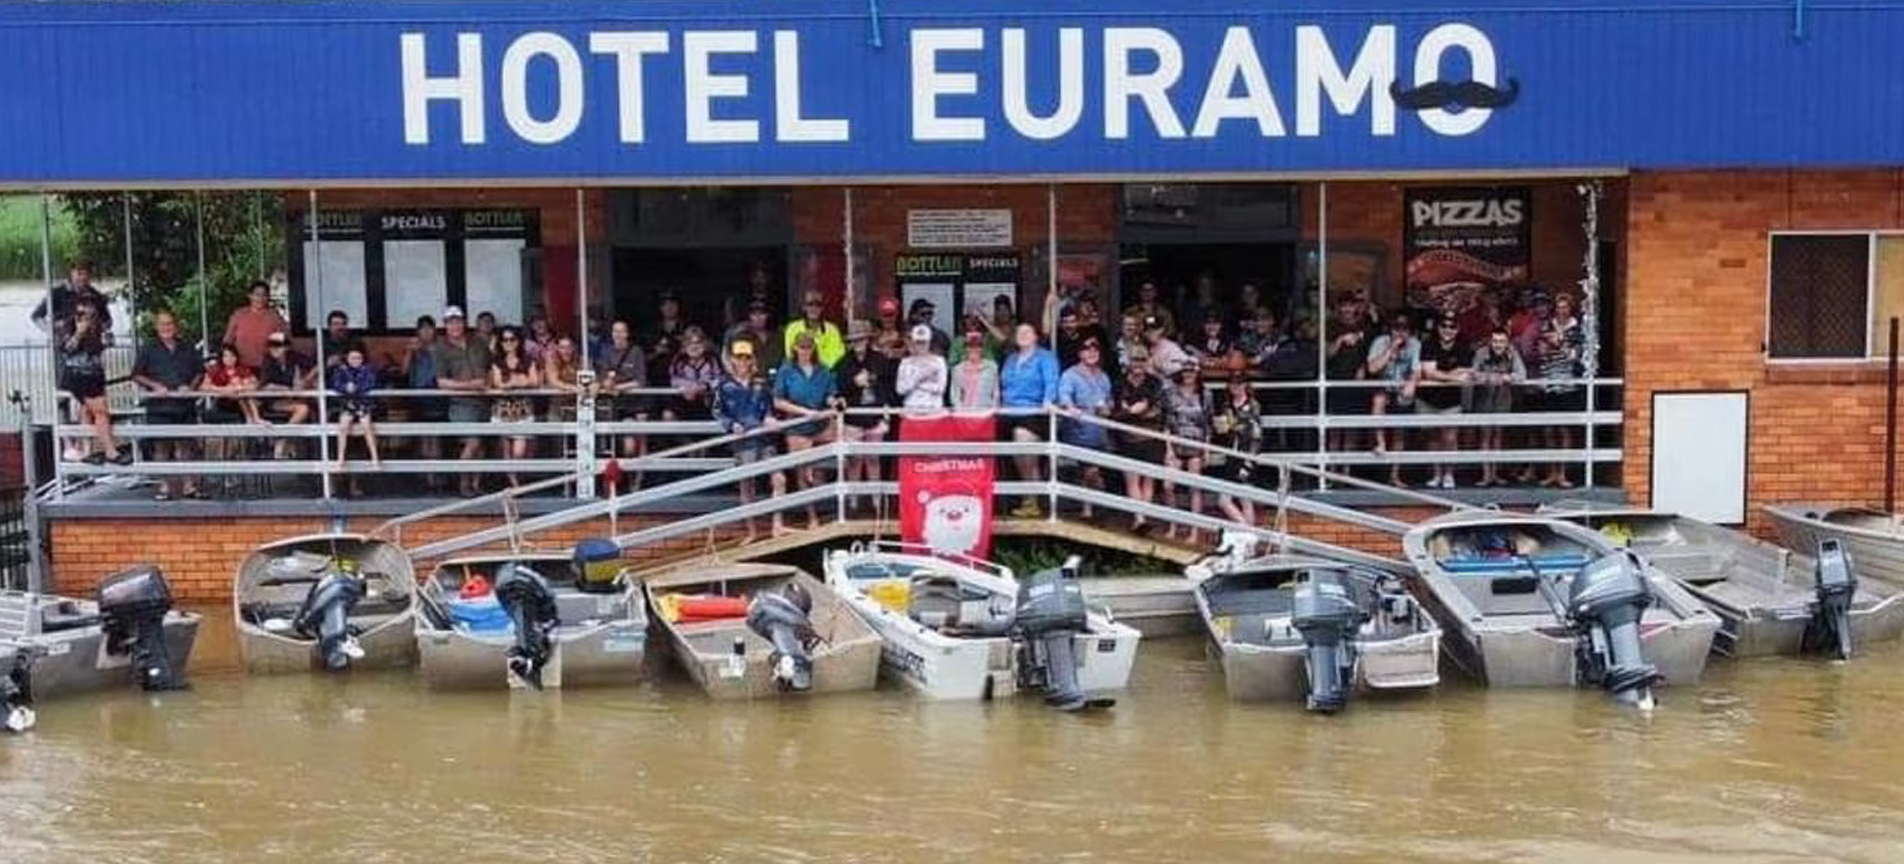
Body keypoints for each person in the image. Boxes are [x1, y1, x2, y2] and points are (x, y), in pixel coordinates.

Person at [131, 310, 204, 499]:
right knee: (161, 446)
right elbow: (137, 374)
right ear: (157, 327)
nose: (167, 328)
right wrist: (155, 386)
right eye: (163, 324)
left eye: (170, 323)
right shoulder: (148, 348)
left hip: (184, 404)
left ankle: (189, 485)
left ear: (176, 325)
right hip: (159, 405)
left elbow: (199, 371)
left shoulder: (187, 346)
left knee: (185, 445)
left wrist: (190, 388)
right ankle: (164, 486)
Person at [714, 337, 779, 541]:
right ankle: (752, 532)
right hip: (743, 441)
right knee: (746, 485)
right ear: (732, 360)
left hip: (764, 438)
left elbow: (769, 407)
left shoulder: (761, 384)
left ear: (752, 360)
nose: (743, 362)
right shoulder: (724, 386)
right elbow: (718, 411)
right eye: (739, 357)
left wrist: (769, 417)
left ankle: (777, 526)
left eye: (746, 357)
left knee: (779, 479)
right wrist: (731, 425)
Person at [772, 331, 836, 533]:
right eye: (802, 347)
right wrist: (806, 413)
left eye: (809, 347)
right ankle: (812, 517)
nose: (805, 351)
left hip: (822, 424)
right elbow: (778, 401)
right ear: (795, 348)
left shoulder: (823, 370)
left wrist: (833, 403)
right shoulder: (786, 370)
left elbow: (830, 395)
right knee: (802, 473)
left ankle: (847, 505)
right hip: (798, 425)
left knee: (854, 442)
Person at [998, 322, 1060, 518]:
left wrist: (1048, 401)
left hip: (1033, 412)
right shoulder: (1010, 359)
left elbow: (1052, 381)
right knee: (1015, 455)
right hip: (1007, 412)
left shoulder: (1045, 357)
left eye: (1027, 332)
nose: (1023, 335)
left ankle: (1031, 499)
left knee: (1023, 444)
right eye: (1019, 332)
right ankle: (1023, 497)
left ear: (1036, 336)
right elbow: (1002, 385)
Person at [834, 320, 896, 513]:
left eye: (861, 339)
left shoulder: (880, 360)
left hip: (875, 416)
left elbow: (888, 388)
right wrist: (854, 383)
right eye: (855, 340)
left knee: (873, 458)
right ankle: (853, 501)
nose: (858, 343)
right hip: (853, 418)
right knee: (854, 460)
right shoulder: (842, 363)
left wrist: (886, 412)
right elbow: (838, 391)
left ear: (867, 340)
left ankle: (876, 501)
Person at [56, 296, 127, 466]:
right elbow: (66, 350)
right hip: (77, 375)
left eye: (90, 312)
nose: (86, 315)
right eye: (81, 312)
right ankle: (111, 450)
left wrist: (107, 342)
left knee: (86, 410)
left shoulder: (98, 328)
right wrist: (79, 333)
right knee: (101, 410)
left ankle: (87, 451)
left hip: (94, 374)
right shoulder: (67, 327)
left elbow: (100, 350)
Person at [432, 306, 492, 497]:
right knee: (472, 442)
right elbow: (442, 382)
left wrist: (488, 383)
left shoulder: (478, 342)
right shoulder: (440, 348)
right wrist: (472, 385)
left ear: (464, 322)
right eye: (451, 322)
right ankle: (463, 484)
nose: (455, 325)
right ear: (445, 325)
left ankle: (476, 484)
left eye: (458, 320)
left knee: (481, 445)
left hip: (484, 401)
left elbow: (490, 366)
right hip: (460, 403)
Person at [1056, 337, 1114, 514]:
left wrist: (1107, 408)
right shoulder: (1070, 374)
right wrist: (1071, 408)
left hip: (1099, 433)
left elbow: (1110, 401)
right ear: (1080, 354)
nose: (1091, 353)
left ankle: (1090, 506)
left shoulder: (1103, 377)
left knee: (1093, 471)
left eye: (1095, 350)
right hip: (1078, 432)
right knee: (1090, 471)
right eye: (1087, 350)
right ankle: (1088, 508)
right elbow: (1064, 396)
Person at [1112, 346, 1165, 532]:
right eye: (1135, 360)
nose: (1138, 364)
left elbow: (1150, 409)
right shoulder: (1119, 383)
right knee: (1132, 479)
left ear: (1147, 361)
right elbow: (1117, 411)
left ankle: (1144, 516)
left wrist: (1131, 411)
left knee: (1148, 480)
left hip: (1151, 436)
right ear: (1129, 362)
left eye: (1142, 360)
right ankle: (1139, 518)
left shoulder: (1154, 383)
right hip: (1127, 437)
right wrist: (1131, 411)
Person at [1415, 313, 1471, 490]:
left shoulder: (1464, 346)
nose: (1448, 330)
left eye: (1452, 327)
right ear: (1438, 328)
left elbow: (1466, 372)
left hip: (1451, 400)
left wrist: (1441, 376)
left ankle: (1449, 474)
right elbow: (1428, 372)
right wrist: (1452, 377)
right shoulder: (1428, 344)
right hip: (1427, 398)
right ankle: (1436, 474)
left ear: (1457, 329)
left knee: (1450, 438)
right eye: (1444, 326)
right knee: (1431, 437)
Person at [1365, 311, 1421, 485]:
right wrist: (1390, 350)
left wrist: (1411, 383)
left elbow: (1417, 369)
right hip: (1383, 386)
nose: (1400, 333)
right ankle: (1380, 443)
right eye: (1397, 329)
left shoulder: (1415, 344)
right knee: (1379, 400)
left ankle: (1394, 475)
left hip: (1402, 389)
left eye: (1404, 329)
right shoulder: (1380, 342)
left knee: (1400, 433)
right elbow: (1372, 368)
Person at [1469, 326, 1527, 488]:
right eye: (1495, 341)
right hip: (1484, 399)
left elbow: (1522, 375)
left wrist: (1506, 377)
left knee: (1498, 436)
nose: (1498, 344)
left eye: (1501, 341)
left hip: (1503, 399)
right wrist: (1489, 378)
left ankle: (1495, 474)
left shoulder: (1512, 353)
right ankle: (1486, 475)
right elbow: (1473, 374)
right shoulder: (1480, 353)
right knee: (1485, 436)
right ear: (1490, 341)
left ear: (1507, 342)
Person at [1161, 363, 1213, 542]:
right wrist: (1168, 449)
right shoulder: (1170, 393)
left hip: (1196, 443)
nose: (1188, 375)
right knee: (1168, 485)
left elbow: (1208, 425)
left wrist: (1206, 449)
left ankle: (1194, 531)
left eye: (1192, 371)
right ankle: (1173, 525)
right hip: (1176, 442)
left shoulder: (1205, 395)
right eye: (1185, 372)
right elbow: (1166, 423)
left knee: (1194, 487)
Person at [1210, 356, 1264, 526]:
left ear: (1245, 385)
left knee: (1240, 499)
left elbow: (1256, 435)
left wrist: (1250, 461)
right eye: (1233, 383)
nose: (1236, 387)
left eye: (1240, 383)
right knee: (1233, 500)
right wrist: (1222, 427)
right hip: (1230, 452)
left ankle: (1248, 534)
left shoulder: (1253, 405)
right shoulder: (1226, 405)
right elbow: (1222, 429)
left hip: (1246, 452)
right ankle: (1249, 535)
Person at [1533, 317, 1584, 488]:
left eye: (1553, 333)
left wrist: (1561, 344)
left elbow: (1574, 358)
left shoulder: (1570, 344)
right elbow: (1540, 359)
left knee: (1564, 431)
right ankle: (1551, 473)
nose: (1551, 336)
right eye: (1548, 333)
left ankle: (1562, 473)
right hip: (1548, 391)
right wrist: (1546, 346)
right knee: (1548, 431)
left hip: (1566, 391)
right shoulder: (1543, 344)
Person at [489, 325, 541, 490]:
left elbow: (534, 381)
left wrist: (518, 382)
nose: (509, 343)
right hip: (502, 410)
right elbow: (498, 383)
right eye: (505, 340)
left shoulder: (528, 359)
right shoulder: (496, 361)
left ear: (518, 341)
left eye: (512, 339)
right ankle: (514, 483)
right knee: (505, 450)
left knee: (519, 451)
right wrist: (517, 381)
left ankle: (516, 478)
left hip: (523, 410)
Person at [595, 319, 650, 473]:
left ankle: (640, 481)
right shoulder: (607, 353)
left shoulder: (636, 351)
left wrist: (619, 387)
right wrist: (607, 384)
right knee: (629, 447)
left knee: (641, 442)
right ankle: (630, 477)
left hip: (639, 403)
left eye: (621, 331)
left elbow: (640, 381)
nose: (618, 334)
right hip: (621, 405)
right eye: (615, 331)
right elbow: (603, 377)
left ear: (627, 334)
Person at [330, 346, 382, 495]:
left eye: (358, 358)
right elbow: (336, 385)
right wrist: (346, 388)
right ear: (347, 359)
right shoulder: (341, 370)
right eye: (352, 358)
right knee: (343, 426)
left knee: (367, 426)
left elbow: (370, 383)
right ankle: (340, 458)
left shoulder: (367, 370)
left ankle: (374, 457)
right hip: (348, 404)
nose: (355, 361)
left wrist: (357, 388)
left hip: (363, 403)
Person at [403, 314, 445, 487]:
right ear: (418, 331)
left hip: (436, 397)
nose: (426, 332)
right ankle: (426, 475)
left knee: (435, 438)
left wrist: (432, 351)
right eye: (423, 329)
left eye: (429, 328)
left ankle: (436, 476)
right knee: (422, 438)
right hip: (418, 398)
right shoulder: (413, 348)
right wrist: (409, 352)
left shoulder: (440, 347)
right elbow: (404, 371)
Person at [223, 280, 287, 369]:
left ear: (268, 297)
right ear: (250, 296)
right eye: (257, 295)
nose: (260, 298)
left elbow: (281, 344)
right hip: (241, 367)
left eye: (264, 295)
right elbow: (228, 341)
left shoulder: (274, 317)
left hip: (266, 367)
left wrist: (282, 365)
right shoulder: (238, 315)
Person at [666, 327, 721, 423]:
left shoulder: (712, 360)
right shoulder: (679, 360)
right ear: (684, 346)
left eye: (697, 343)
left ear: (704, 344)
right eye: (689, 343)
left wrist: (703, 386)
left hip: (707, 402)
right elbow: (673, 380)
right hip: (684, 401)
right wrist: (688, 386)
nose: (694, 347)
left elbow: (720, 379)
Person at [782, 290, 846, 369]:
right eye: (810, 304)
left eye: (818, 305)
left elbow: (838, 355)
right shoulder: (792, 328)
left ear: (822, 308)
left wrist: (820, 370)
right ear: (804, 307)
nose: (814, 308)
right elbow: (790, 355)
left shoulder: (832, 330)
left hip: (827, 373)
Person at [895, 324, 949, 411]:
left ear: (929, 342)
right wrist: (919, 378)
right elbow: (900, 389)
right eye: (918, 342)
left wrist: (919, 385)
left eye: (924, 342)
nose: (921, 346)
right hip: (911, 408)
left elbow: (941, 388)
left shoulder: (939, 361)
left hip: (933, 409)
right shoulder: (905, 362)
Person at [724, 300, 783, 375]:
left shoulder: (778, 337)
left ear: (768, 315)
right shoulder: (741, 338)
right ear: (749, 316)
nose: (758, 318)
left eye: (762, 314)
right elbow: (730, 362)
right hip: (749, 382)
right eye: (754, 314)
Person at [949, 324, 1000, 410]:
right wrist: (960, 409)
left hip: (985, 411)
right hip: (964, 412)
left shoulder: (992, 366)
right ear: (965, 349)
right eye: (970, 346)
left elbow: (996, 392)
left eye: (978, 346)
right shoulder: (957, 369)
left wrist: (993, 409)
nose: (974, 349)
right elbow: (954, 394)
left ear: (982, 348)